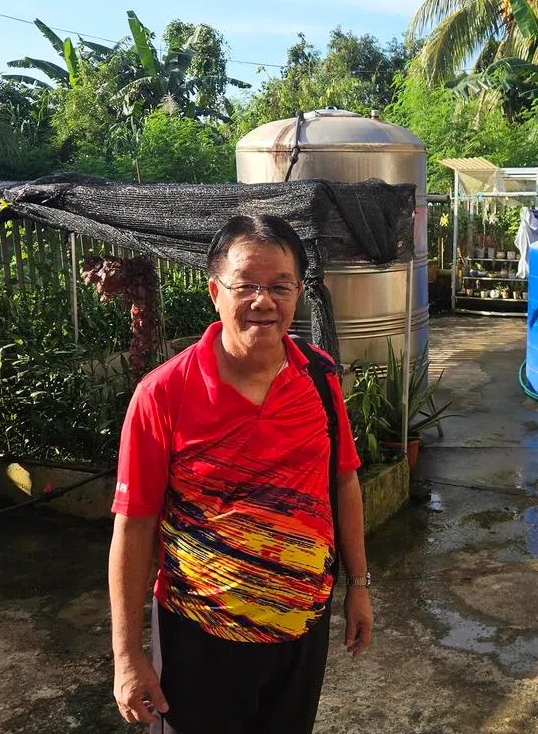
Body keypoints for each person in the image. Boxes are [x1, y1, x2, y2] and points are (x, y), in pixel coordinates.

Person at [107, 214, 373, 734]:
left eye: (280, 286)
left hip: (302, 633)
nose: (263, 301)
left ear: (298, 292)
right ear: (215, 291)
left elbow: (343, 482)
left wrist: (358, 583)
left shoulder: (319, 376)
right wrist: (126, 655)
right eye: (246, 285)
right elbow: (134, 525)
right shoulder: (163, 394)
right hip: (199, 642)